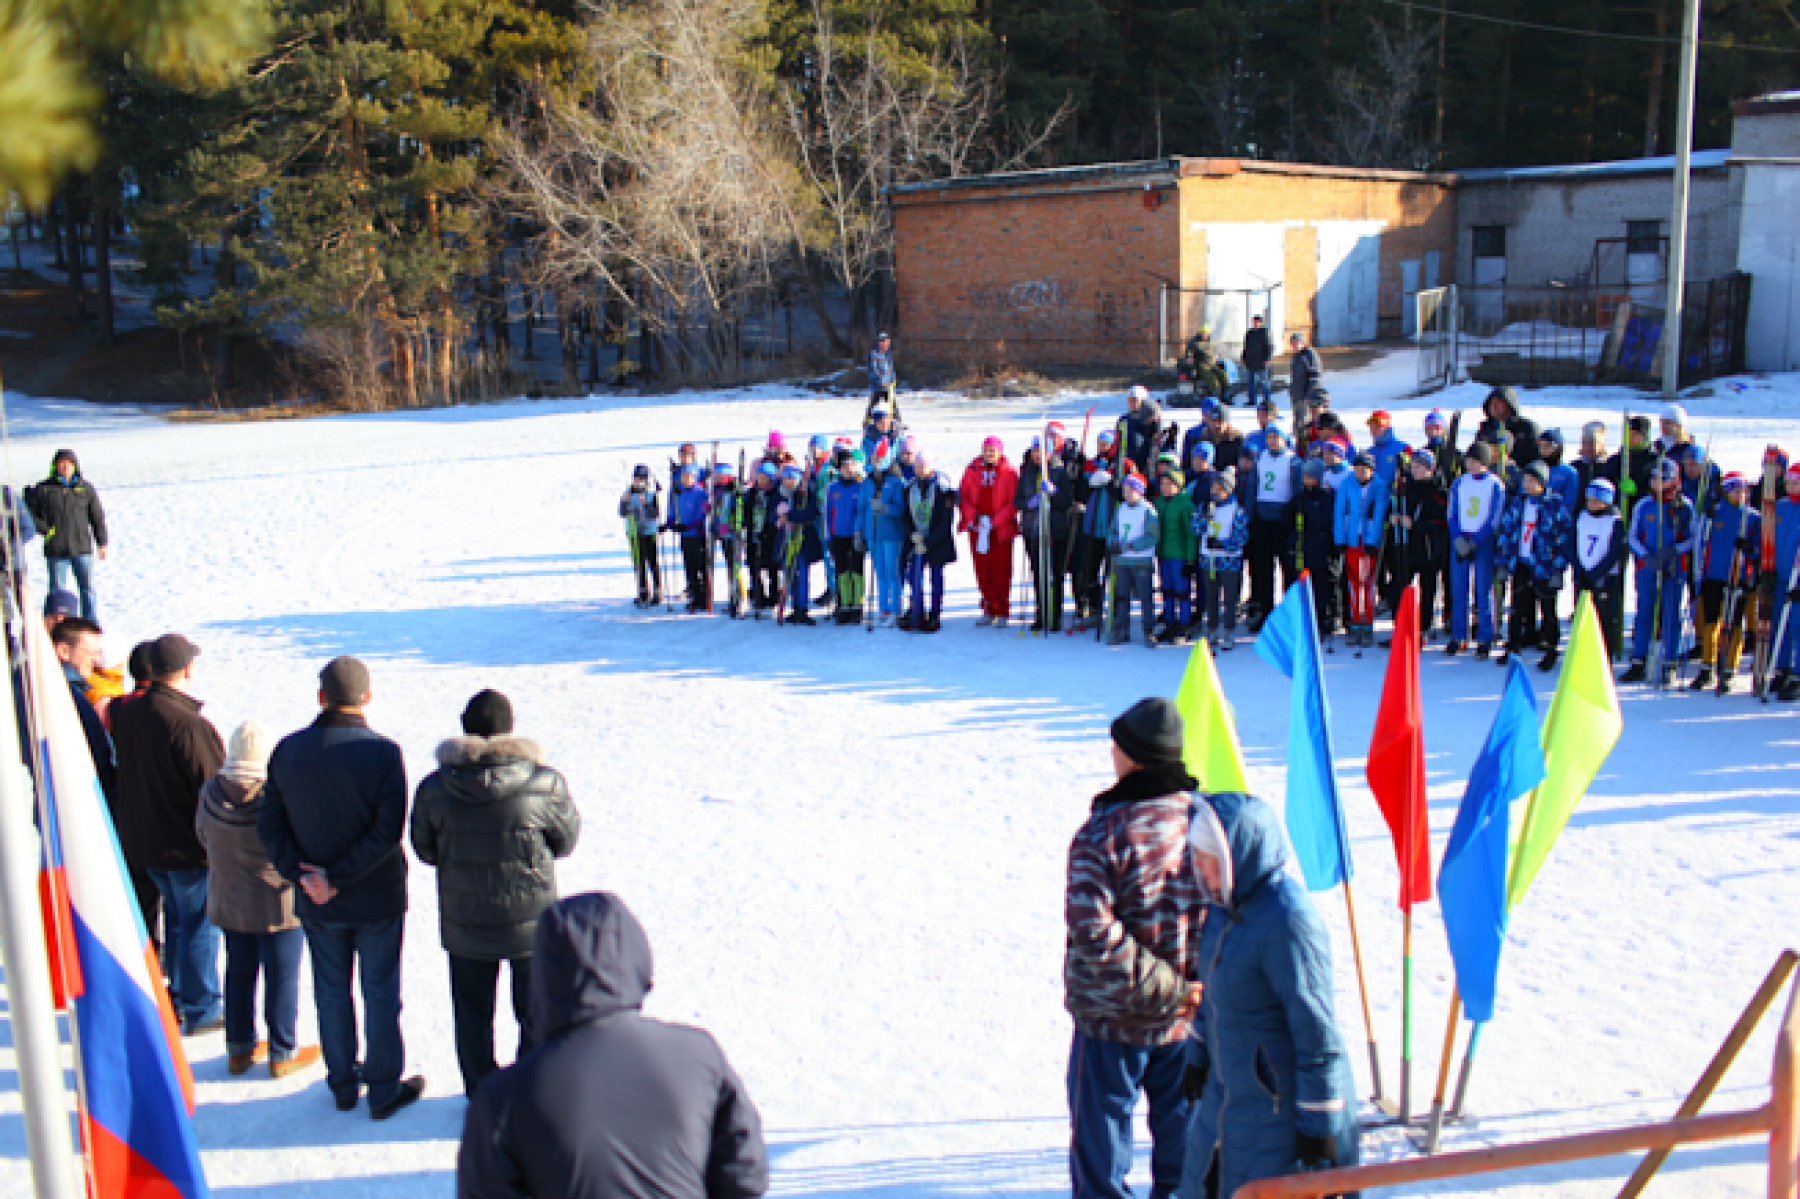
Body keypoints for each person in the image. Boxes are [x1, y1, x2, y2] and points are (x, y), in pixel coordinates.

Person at [456, 892, 769, 1199]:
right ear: (637, 958)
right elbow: (745, 1173)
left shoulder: (502, 1098)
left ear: (543, 974)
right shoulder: (700, 1056)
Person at [259, 656, 424, 1119]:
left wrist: (307, 875)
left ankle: (343, 1084)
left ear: (320, 697)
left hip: (316, 901)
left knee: (331, 991)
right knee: (380, 991)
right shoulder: (384, 753)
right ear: (367, 698)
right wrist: (337, 877)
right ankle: (384, 1086)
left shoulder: (288, 752)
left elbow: (269, 826)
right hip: (376, 897)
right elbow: (386, 832)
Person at [1180, 790, 1361, 1199]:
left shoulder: (1288, 921)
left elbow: (1317, 1033)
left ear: (1236, 859)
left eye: (1209, 863)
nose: (1202, 875)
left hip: (1277, 1111)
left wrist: (1321, 1126)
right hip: (1227, 1097)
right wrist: (1197, 1055)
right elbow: (1214, 996)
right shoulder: (1224, 913)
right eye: (1198, 861)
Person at [1064, 698, 1203, 1199]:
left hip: (1113, 1020)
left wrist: (1169, 989)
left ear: (1133, 756)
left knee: (1102, 1143)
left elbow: (1094, 932)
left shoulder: (1103, 833)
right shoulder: (1209, 823)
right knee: (1183, 1136)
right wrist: (1190, 989)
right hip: (1186, 1015)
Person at [412, 689, 580, 1098]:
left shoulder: (435, 788)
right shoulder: (545, 783)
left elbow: (424, 848)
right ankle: (530, 1089)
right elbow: (566, 841)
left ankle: (482, 1092)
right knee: (535, 1011)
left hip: (466, 920)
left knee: (472, 1015)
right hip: (532, 922)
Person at [111, 632, 226, 1035]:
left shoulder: (130, 713)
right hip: (185, 844)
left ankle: (177, 996)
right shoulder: (187, 724)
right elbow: (211, 787)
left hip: (146, 841)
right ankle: (201, 1006)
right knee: (196, 926)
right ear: (186, 670)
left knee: (178, 922)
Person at [196, 720, 323, 1079]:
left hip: (230, 900)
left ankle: (238, 1048)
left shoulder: (210, 793)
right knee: (281, 975)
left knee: (238, 972)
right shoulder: (278, 797)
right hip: (277, 903)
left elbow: (202, 835)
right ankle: (282, 1050)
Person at [1621, 460, 1696, 685]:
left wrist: (1675, 550)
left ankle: (1670, 661)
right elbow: (1632, 535)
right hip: (1648, 566)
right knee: (1645, 611)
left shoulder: (1684, 506)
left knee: (1671, 613)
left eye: (1662, 478)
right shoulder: (1644, 505)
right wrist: (1645, 555)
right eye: (1654, 478)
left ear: (1673, 480)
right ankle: (1639, 660)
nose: (1657, 482)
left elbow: (1694, 536)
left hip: (1673, 567)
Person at [1494, 463, 1572, 670]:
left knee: (1547, 608)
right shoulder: (1519, 503)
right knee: (1518, 607)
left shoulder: (1555, 504)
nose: (1527, 485)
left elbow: (1564, 538)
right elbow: (1507, 532)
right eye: (1525, 480)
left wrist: (1558, 568)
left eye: (1532, 481)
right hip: (1522, 563)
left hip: (1544, 565)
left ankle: (1550, 648)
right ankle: (1513, 646)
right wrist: (1502, 562)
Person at [1691, 472, 1760, 693]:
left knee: (1735, 625)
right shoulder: (1714, 513)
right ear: (1726, 491)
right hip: (1713, 576)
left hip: (1737, 577)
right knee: (1712, 623)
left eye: (1742, 491)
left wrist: (1751, 549)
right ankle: (1708, 666)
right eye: (1734, 490)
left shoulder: (1752, 517)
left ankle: (1730, 669)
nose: (1739, 494)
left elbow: (1761, 549)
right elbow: (1700, 542)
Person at [23, 448, 108, 623]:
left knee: (87, 588)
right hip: (56, 549)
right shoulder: (45, 488)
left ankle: (90, 622)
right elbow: (28, 512)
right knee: (57, 590)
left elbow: (97, 516)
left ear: (75, 466)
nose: (65, 466)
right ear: (55, 466)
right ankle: (57, 624)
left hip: (82, 548)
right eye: (61, 463)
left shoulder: (85, 488)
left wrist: (102, 542)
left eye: (69, 463)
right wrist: (45, 529)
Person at [1446, 443, 1507, 657]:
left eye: (1475, 461)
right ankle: (1459, 635)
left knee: (1482, 591)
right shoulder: (1459, 482)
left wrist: (1477, 540)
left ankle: (1485, 636)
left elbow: (1494, 518)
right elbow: (1452, 512)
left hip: (1482, 543)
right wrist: (1458, 538)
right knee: (1458, 590)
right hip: (1461, 541)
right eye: (1469, 460)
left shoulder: (1495, 484)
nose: (1471, 464)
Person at [51, 616, 115, 806]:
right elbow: (98, 754)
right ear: (63, 651)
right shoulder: (68, 695)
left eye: (98, 653)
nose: (96, 660)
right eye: (90, 653)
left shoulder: (70, 689)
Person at [960, 436, 1019, 627]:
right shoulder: (972, 470)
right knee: (983, 569)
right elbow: (963, 498)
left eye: (992, 450)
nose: (989, 453)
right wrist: (975, 517)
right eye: (986, 450)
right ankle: (988, 606)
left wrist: (995, 521)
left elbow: (1013, 503)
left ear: (999, 452)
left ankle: (1001, 610)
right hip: (978, 528)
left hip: (1000, 529)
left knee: (1001, 569)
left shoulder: (1009, 472)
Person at [1247, 425, 1300, 631]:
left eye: (1276, 437)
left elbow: (1297, 490)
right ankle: (1266, 613)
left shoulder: (1293, 460)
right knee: (1262, 570)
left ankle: (1288, 615)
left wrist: (1294, 519)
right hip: (1262, 519)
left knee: (1288, 569)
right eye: (1269, 437)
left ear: (1284, 439)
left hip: (1283, 521)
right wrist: (1251, 517)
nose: (1272, 440)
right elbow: (1252, 487)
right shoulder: (1260, 459)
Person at [1334, 451, 1388, 648]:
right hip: (1351, 540)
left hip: (1369, 542)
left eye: (1364, 470)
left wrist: (1373, 540)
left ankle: (1368, 624)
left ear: (1371, 470)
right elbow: (1339, 512)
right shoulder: (1347, 484)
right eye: (1357, 469)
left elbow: (1380, 514)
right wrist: (1339, 538)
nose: (1360, 473)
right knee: (1353, 583)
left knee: (1369, 583)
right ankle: (1355, 622)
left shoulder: (1379, 487)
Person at [1395, 450, 1450, 641]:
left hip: (1428, 549)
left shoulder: (1437, 490)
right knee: (1400, 588)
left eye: (1420, 467)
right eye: (1414, 466)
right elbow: (1396, 507)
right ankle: (1402, 626)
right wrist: (1395, 518)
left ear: (1430, 469)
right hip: (1406, 547)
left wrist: (1415, 525)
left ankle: (1423, 628)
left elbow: (1441, 523)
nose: (1416, 470)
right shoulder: (1405, 488)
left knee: (1427, 591)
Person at [1571, 479, 1628, 663]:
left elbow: (1614, 553)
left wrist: (1595, 574)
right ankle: (1583, 652)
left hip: (1604, 577)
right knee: (1583, 615)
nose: (1591, 504)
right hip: (1583, 575)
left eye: (1596, 500)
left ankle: (1605, 655)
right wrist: (1579, 569)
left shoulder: (1614, 522)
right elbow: (1571, 544)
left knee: (1604, 618)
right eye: (1589, 500)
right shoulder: (1581, 517)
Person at [901, 450, 958, 633]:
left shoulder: (943, 488)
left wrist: (929, 541)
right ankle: (917, 610)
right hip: (916, 540)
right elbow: (906, 516)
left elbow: (946, 520)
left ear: (930, 466)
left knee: (935, 577)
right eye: (917, 466)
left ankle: (935, 614)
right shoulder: (910, 487)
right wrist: (913, 535)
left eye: (923, 465)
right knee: (913, 576)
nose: (919, 469)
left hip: (936, 541)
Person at [1073, 435, 1120, 633]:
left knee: (1115, 572)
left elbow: (1131, 489)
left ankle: (1116, 612)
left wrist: (1111, 482)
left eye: (1106, 443)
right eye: (1099, 443)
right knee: (1090, 568)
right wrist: (1088, 481)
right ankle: (1093, 609)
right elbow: (1081, 494)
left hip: (1113, 526)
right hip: (1092, 526)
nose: (1102, 447)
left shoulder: (1123, 462)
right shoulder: (1091, 464)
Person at [1197, 469, 1248, 651]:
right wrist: (1205, 518)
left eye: (1220, 488)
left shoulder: (1237, 510)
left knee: (1230, 598)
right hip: (1209, 560)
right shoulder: (1206, 507)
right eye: (1214, 488)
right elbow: (1195, 527)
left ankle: (1229, 630)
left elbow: (1241, 537)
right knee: (1211, 596)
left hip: (1229, 561)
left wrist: (1223, 544)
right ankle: (1211, 629)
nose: (1215, 492)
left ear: (1228, 489)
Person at [1107, 473, 1159, 646]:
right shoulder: (1121, 508)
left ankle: (1148, 630)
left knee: (1145, 596)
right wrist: (1113, 542)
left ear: (1139, 491)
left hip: (1141, 561)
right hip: (1122, 561)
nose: (1127, 494)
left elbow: (1152, 536)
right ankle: (1122, 628)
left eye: (1131, 490)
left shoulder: (1147, 510)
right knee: (1122, 596)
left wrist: (1131, 546)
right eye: (1125, 490)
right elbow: (1113, 529)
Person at [865, 442, 908, 628]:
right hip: (873, 533)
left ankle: (895, 609)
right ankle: (883, 608)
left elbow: (901, 509)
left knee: (892, 572)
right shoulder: (868, 480)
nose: (877, 462)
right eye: (875, 458)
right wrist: (860, 531)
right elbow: (861, 509)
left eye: (880, 458)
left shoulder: (896, 481)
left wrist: (885, 508)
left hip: (891, 533)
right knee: (880, 571)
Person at [774, 464, 823, 625]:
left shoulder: (805, 494)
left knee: (801, 575)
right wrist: (778, 516)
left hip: (802, 540)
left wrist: (790, 516)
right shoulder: (778, 494)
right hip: (785, 541)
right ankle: (794, 607)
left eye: (793, 479)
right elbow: (770, 515)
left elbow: (810, 512)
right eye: (787, 479)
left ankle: (802, 608)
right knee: (789, 575)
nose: (789, 482)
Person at [1295, 459, 1338, 637]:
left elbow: (1322, 521)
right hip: (1302, 549)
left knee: (1321, 589)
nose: (1306, 479)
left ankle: (1322, 622)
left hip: (1320, 550)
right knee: (1304, 589)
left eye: (1309, 476)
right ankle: (1305, 623)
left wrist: (1309, 506)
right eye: (1304, 476)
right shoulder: (1300, 496)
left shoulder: (1325, 496)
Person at [1769, 464, 1800, 702]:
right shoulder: (1779, 507)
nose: (1792, 487)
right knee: (1780, 624)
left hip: (1797, 578)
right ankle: (1779, 669)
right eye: (1789, 482)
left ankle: (1797, 674)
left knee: (1798, 627)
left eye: (1796, 483)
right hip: (1779, 576)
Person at [1153, 472, 1196, 644]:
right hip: (1163, 554)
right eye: (1162, 484)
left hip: (1179, 555)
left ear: (1177, 486)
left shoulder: (1185, 505)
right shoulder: (1159, 503)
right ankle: (1169, 623)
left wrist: (1190, 559)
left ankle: (1185, 625)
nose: (1164, 487)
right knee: (1167, 590)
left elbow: (1191, 534)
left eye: (1168, 484)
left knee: (1182, 592)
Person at [620, 466, 663, 607]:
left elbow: (655, 513)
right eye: (636, 478)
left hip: (648, 532)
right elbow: (622, 512)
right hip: (634, 532)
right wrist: (624, 502)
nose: (638, 482)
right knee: (639, 563)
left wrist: (646, 504)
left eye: (641, 479)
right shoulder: (628, 492)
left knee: (652, 562)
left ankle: (658, 590)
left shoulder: (651, 494)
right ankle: (643, 591)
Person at [670, 465, 711, 613]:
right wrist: (670, 523)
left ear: (694, 477)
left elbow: (701, 516)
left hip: (697, 536)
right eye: (683, 476)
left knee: (701, 566)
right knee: (690, 567)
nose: (685, 479)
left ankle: (705, 596)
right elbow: (674, 510)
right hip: (685, 536)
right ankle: (694, 596)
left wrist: (688, 526)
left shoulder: (701, 494)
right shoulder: (679, 492)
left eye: (688, 476)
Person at [709, 460, 745, 618]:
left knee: (736, 566)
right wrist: (715, 524)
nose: (716, 479)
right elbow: (717, 510)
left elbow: (739, 509)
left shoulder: (736, 490)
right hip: (723, 533)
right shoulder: (717, 490)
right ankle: (733, 595)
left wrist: (735, 525)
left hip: (735, 534)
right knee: (730, 566)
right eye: (715, 476)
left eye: (719, 476)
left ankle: (741, 597)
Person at [1184, 326, 1227, 399]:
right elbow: (1189, 351)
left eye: (1206, 333)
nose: (1204, 335)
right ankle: (1214, 397)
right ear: (1200, 333)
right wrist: (1189, 357)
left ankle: (1225, 395)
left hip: (1211, 365)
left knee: (1223, 375)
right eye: (1203, 333)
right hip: (1201, 365)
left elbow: (1211, 353)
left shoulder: (1208, 342)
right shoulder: (1195, 342)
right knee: (1212, 379)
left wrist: (1215, 356)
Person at [1285, 332, 1321, 413]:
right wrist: (1292, 389)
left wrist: (1309, 395)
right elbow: (1294, 376)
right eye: (1292, 343)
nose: (1294, 345)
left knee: (1304, 421)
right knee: (1298, 421)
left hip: (1305, 397)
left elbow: (1315, 377)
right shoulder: (1296, 356)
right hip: (1296, 396)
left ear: (1302, 342)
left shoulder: (1310, 355)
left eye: (1296, 343)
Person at [1241, 315, 1272, 408]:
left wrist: (1267, 358)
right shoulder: (1249, 333)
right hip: (1250, 361)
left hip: (1261, 362)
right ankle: (1252, 401)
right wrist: (1244, 357)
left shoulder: (1264, 332)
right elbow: (1246, 347)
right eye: (1254, 322)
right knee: (1251, 382)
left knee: (1264, 383)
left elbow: (1268, 346)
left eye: (1257, 322)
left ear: (1261, 323)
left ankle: (1267, 401)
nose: (1255, 323)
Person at [867, 332, 896, 415]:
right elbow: (873, 369)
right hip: (878, 385)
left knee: (891, 404)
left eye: (887, 342)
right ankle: (868, 421)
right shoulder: (874, 353)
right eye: (883, 342)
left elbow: (890, 368)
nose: (886, 344)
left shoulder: (887, 354)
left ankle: (895, 420)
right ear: (879, 343)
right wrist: (879, 381)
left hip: (887, 385)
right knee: (874, 404)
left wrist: (892, 378)